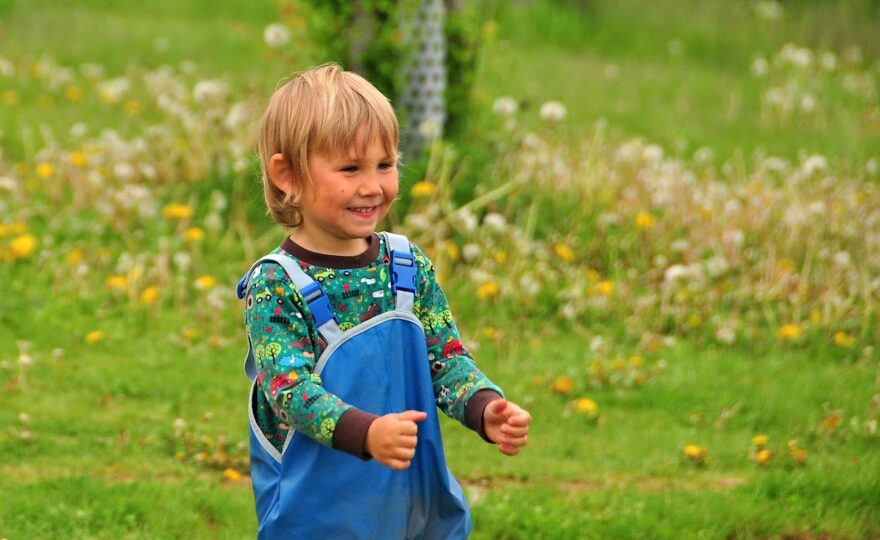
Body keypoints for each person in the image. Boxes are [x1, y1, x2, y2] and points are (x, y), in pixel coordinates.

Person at [237, 64, 531, 539]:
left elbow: (446, 360)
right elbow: (289, 392)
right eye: (350, 168)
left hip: (414, 507)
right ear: (287, 174)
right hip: (318, 518)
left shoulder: (406, 264)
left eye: (385, 164)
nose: (372, 186)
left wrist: (483, 406)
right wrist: (367, 434)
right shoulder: (276, 284)